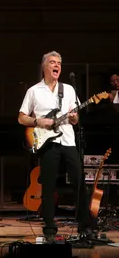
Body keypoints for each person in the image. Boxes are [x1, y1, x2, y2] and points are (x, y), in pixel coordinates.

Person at [18, 51, 96, 242]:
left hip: (68, 141)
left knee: (79, 182)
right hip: (47, 143)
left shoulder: (68, 89)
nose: (57, 66)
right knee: (48, 185)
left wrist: (74, 116)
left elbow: (76, 120)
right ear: (44, 66)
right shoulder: (34, 91)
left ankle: (85, 226)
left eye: (59, 63)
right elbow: (21, 118)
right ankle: (50, 228)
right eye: (53, 62)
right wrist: (38, 121)